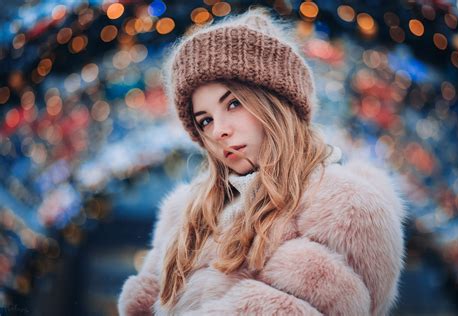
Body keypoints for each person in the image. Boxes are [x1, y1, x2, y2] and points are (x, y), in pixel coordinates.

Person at [118, 8, 406, 316]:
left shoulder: (345, 209)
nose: (219, 130)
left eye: (234, 103)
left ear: (276, 103)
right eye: (204, 121)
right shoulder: (189, 216)